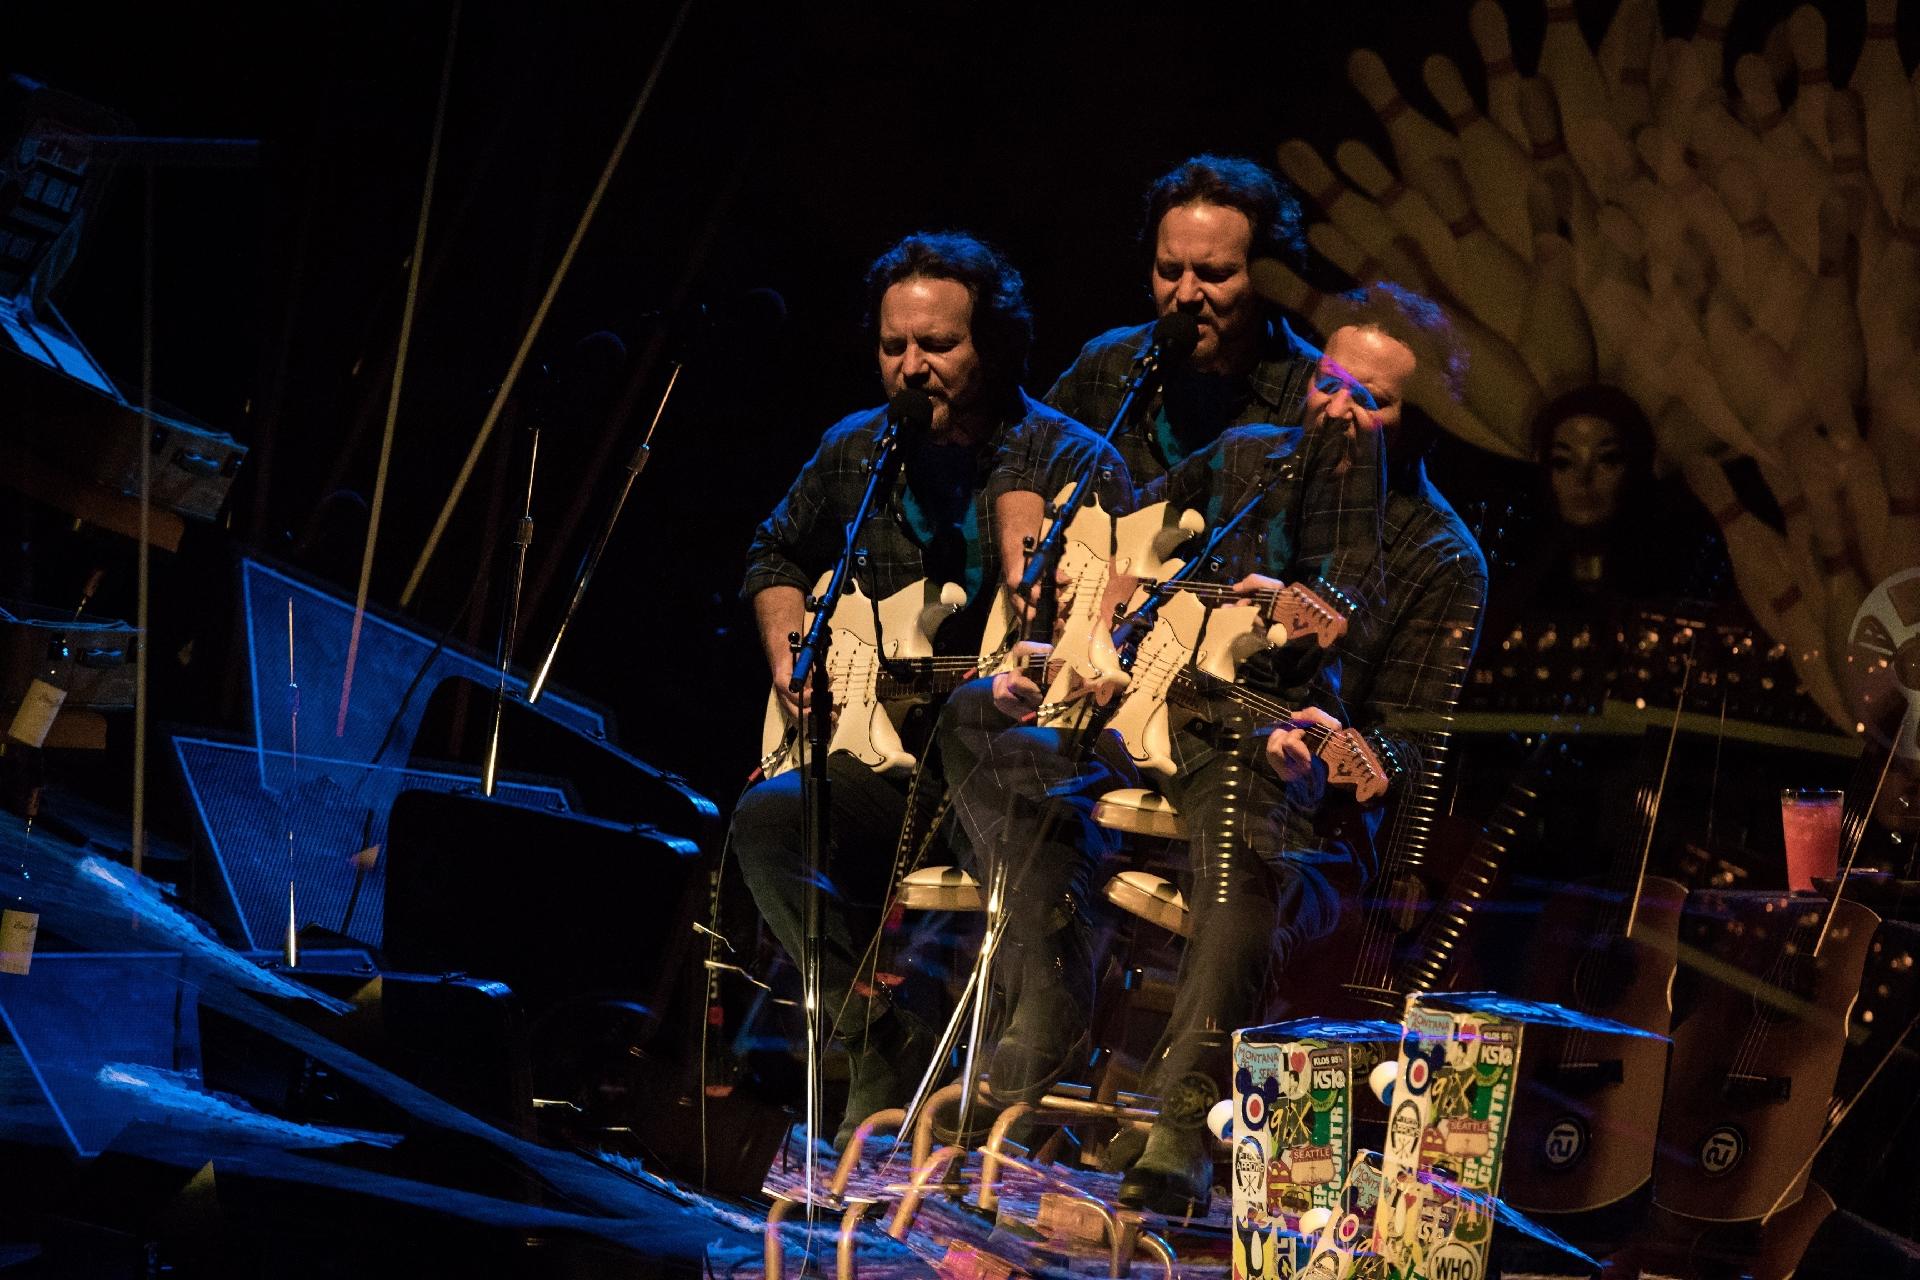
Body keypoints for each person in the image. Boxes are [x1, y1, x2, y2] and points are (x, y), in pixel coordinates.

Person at [728, 232, 1130, 1150]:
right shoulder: (855, 453)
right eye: (892, 346)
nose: (910, 367)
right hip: (895, 769)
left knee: (974, 713)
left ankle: (1023, 1048)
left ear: (994, 346)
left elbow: (1115, 629)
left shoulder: (1067, 458)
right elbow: (773, 552)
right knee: (770, 822)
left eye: (937, 346)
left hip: (1015, 772)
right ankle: (873, 1035)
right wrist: (796, 656)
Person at [1111, 283, 1489, 1214]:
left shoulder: (1443, 557)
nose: (1339, 411)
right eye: (1327, 383)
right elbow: (1118, 541)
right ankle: (978, 1050)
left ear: (1420, 423)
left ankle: (1184, 1117)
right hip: (1162, 723)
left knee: (1252, 852)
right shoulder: (1245, 458)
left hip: (1292, 794)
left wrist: (1348, 751)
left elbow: (1410, 739)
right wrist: (1132, 600)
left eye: (1373, 400)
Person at [1044, 154, 1318, 494]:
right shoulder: (1108, 362)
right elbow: (1017, 454)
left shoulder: (1317, 399)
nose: (1186, 294)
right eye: (1170, 272)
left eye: (1214, 274)